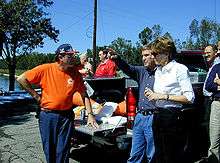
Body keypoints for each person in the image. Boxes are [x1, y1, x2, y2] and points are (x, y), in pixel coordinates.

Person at [16, 43, 98, 163]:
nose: (73, 58)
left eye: (73, 55)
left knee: (63, 150)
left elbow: (84, 95)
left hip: (66, 117)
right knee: (50, 150)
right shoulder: (46, 69)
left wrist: (90, 115)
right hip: (48, 116)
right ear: (60, 56)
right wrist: (36, 96)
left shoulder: (75, 74)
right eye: (70, 55)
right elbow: (22, 79)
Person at [144, 36, 195, 163]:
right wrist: (153, 95)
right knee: (159, 155)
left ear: (166, 53)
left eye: (155, 53)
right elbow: (158, 96)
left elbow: (190, 98)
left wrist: (162, 96)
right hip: (158, 115)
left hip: (173, 117)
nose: (152, 56)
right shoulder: (158, 71)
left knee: (171, 156)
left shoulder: (180, 69)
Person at [109, 45, 157, 163]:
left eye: (146, 55)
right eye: (142, 56)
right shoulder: (141, 71)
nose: (143, 58)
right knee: (135, 155)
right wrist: (117, 59)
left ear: (154, 56)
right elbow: (128, 68)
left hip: (153, 117)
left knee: (152, 155)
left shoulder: (162, 73)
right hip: (140, 117)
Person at [204, 43, 220, 163]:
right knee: (214, 139)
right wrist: (217, 85)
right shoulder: (216, 67)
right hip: (216, 103)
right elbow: (209, 85)